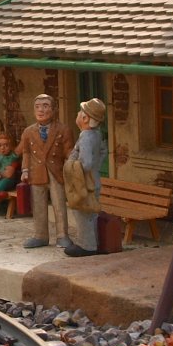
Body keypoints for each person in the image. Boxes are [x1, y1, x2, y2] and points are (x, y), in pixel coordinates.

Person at [16, 93, 74, 248]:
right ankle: (40, 235)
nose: (40, 110)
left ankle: (62, 235)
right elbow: (26, 152)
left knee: (59, 204)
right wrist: (25, 170)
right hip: (37, 172)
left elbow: (68, 151)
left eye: (45, 106)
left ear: (54, 110)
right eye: (37, 107)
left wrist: (72, 165)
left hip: (56, 171)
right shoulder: (28, 132)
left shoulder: (63, 129)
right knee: (38, 204)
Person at [65, 98, 107, 257]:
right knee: (90, 213)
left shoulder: (86, 136)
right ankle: (92, 243)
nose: (77, 114)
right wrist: (97, 166)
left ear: (85, 118)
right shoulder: (96, 134)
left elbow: (86, 163)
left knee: (83, 213)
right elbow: (103, 151)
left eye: (80, 112)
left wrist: (72, 166)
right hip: (93, 180)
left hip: (84, 182)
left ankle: (86, 246)